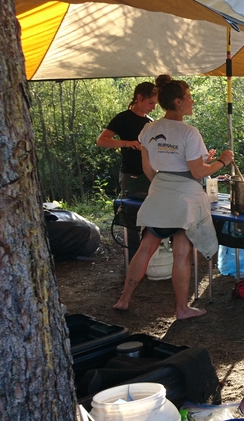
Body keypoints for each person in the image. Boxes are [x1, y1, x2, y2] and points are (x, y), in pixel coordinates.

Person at [113, 75, 233, 320]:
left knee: (145, 248)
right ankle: (182, 308)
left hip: (160, 190)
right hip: (185, 198)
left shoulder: (149, 128)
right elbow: (198, 172)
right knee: (181, 254)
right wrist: (222, 161)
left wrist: (165, 180)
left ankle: (124, 299)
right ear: (178, 102)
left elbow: (148, 168)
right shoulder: (189, 132)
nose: (192, 100)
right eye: (189, 96)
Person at [97, 82, 158, 259]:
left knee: (151, 215)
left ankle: (150, 257)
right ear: (139, 98)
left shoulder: (150, 122)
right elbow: (102, 140)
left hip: (150, 175)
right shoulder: (123, 118)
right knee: (131, 218)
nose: (154, 107)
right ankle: (132, 259)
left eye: (155, 104)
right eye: (151, 103)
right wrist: (126, 143)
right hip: (130, 175)